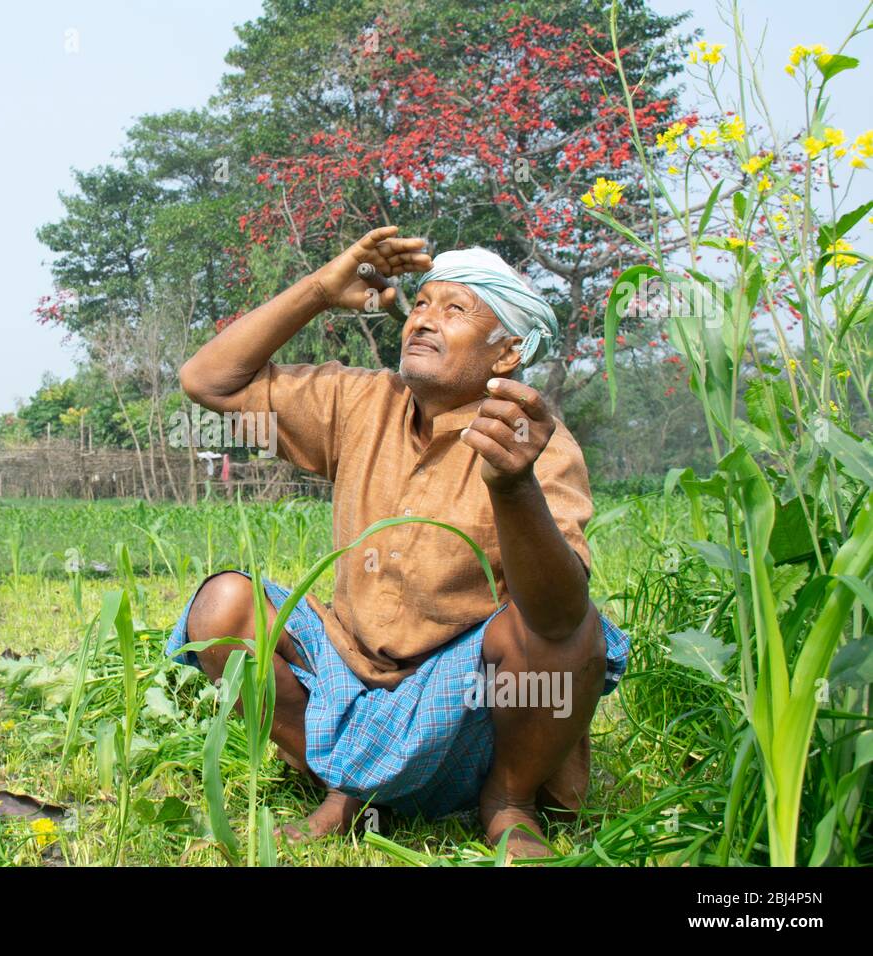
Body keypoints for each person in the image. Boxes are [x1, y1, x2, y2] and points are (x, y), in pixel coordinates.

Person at [167, 226, 630, 857]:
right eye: (421, 305)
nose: (424, 321)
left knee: (571, 628)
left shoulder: (532, 445)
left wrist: (515, 486)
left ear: (505, 352)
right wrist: (321, 291)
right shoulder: (361, 403)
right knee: (224, 606)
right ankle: (345, 786)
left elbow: (558, 618)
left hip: (466, 706)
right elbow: (208, 382)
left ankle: (509, 802)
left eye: (455, 310)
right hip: (348, 672)